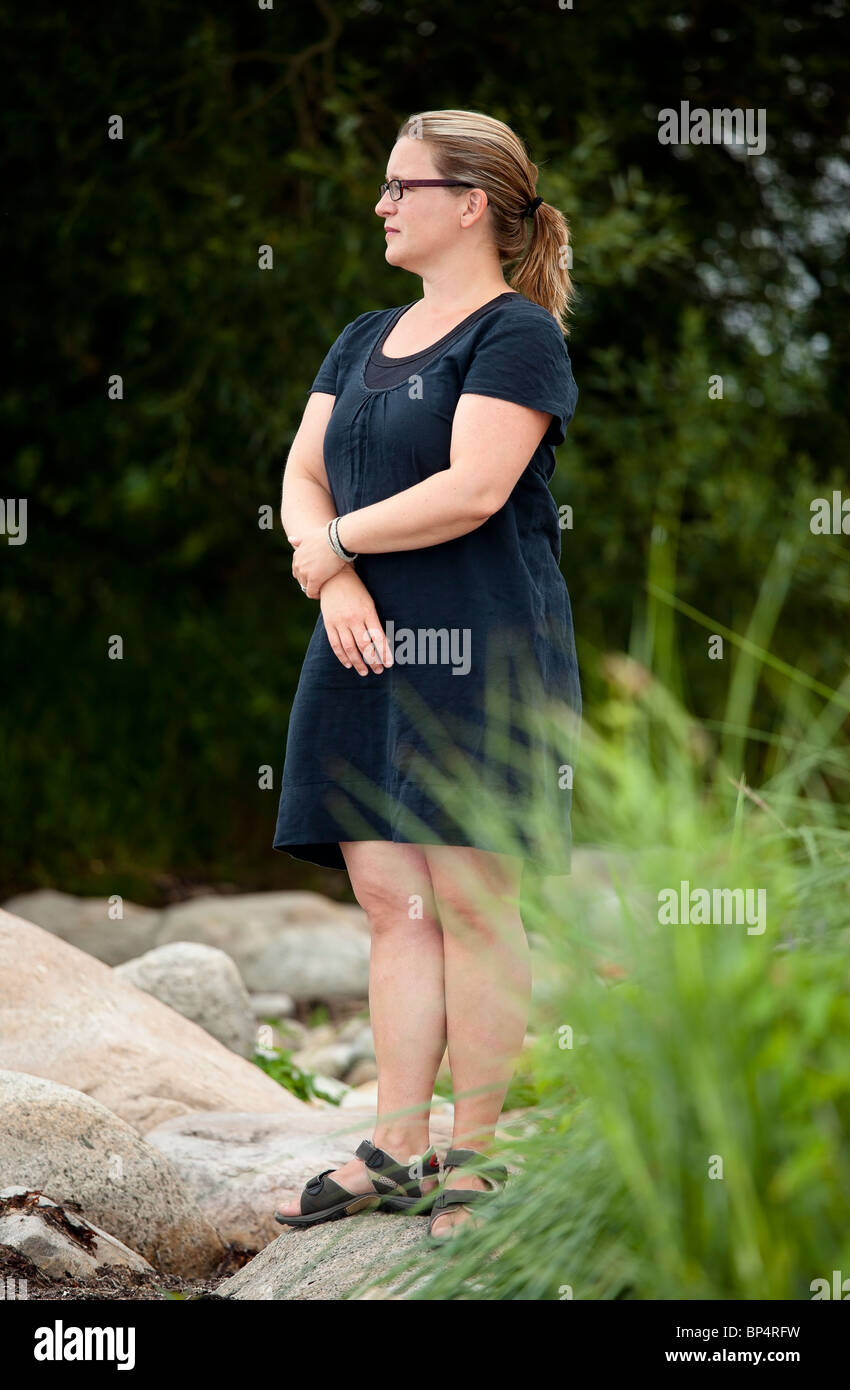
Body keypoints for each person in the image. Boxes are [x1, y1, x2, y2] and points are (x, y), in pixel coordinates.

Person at [273, 109, 581, 1241]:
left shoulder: (515, 336)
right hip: (359, 643)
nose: (380, 203)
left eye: (402, 185)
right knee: (390, 904)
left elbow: (471, 489)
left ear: (471, 205)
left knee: (468, 900)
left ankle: (476, 1151)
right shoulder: (361, 337)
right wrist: (335, 581)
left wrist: (339, 542)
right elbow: (301, 478)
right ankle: (396, 1143)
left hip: (482, 650)